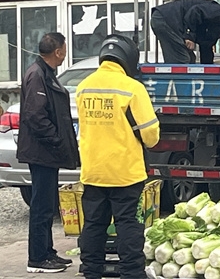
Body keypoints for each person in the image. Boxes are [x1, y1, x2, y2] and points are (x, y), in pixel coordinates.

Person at [76, 34, 160, 279]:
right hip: (125, 173)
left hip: (93, 171)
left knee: (93, 224)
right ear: (128, 59)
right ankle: (132, 274)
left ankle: (91, 272)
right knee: (128, 226)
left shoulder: (83, 87)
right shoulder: (132, 88)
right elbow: (151, 134)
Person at [16, 32, 80, 273]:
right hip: (41, 152)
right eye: (64, 49)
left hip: (47, 152)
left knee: (47, 204)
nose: (65, 53)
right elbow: (35, 115)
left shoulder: (46, 73)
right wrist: (56, 139)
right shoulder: (37, 75)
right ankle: (38, 258)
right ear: (59, 52)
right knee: (41, 206)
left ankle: (48, 251)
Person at [150, 0, 220, 64]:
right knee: (182, 60)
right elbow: (195, 12)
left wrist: (208, 72)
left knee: (191, 60)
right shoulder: (219, 13)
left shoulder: (213, 33)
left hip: (168, 22)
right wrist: (189, 36)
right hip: (166, 18)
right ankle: (179, 92)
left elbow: (206, 50)